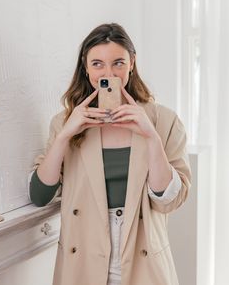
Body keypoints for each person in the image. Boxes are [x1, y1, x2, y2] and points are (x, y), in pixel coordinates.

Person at [29, 23, 191, 285]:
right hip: (83, 259)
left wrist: (150, 136)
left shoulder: (163, 120)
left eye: (118, 62)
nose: (108, 73)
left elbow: (168, 201)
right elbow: (39, 195)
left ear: (132, 63)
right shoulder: (65, 122)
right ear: (86, 67)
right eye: (97, 64)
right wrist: (64, 136)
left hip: (143, 260)